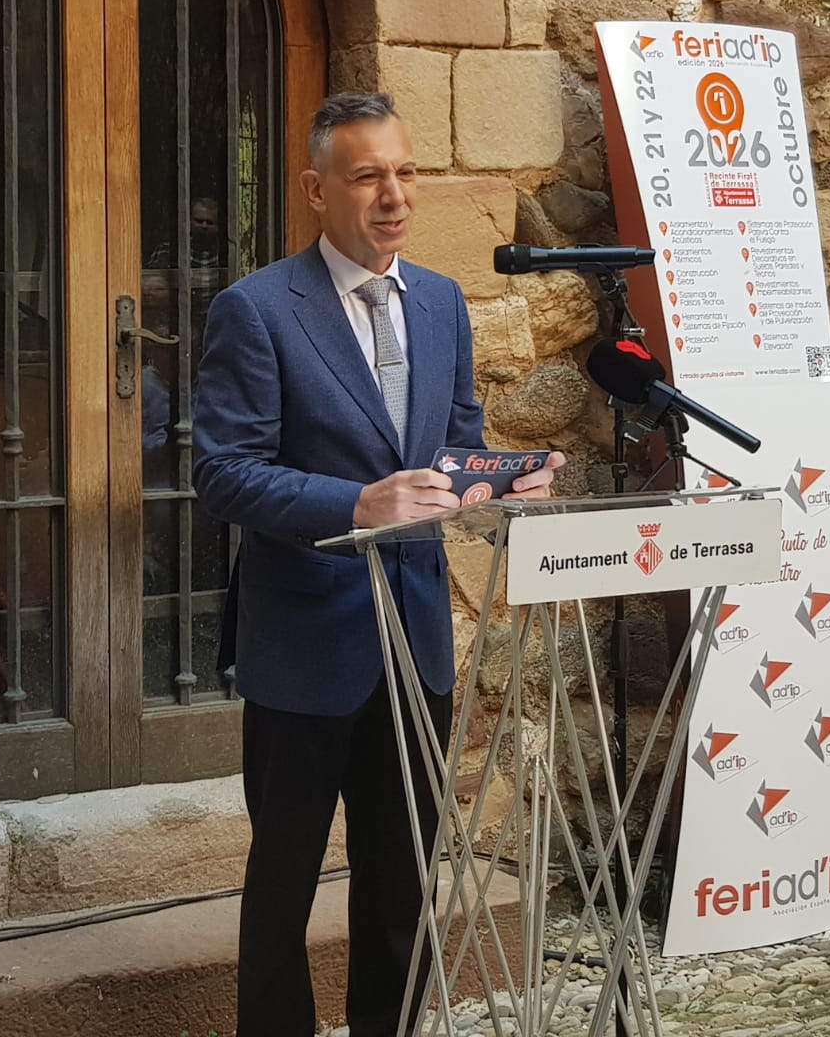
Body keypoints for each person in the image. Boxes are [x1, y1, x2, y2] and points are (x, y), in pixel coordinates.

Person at [192, 92, 564, 1036]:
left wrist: (503, 484)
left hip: (416, 642)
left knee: (402, 883)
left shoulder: (440, 303)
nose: (393, 195)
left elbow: (458, 446)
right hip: (302, 644)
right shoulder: (257, 310)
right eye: (367, 176)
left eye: (404, 172)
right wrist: (356, 503)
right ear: (317, 190)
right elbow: (224, 474)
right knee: (282, 887)